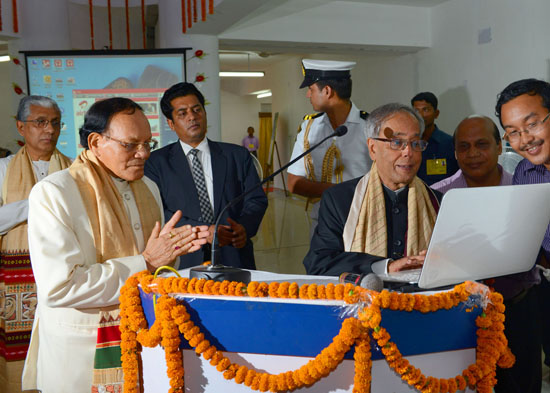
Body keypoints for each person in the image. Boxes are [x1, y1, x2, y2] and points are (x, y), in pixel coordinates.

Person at [21, 97, 209, 393]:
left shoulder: (148, 188)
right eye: (130, 145)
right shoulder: (54, 194)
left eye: (148, 143)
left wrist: (169, 254)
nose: (143, 153)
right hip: (82, 354)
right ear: (95, 142)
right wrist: (145, 262)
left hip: (142, 343)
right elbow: (60, 287)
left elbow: (156, 269)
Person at [303, 103, 442, 277]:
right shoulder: (340, 199)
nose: (408, 152)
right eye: (397, 142)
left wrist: (440, 261)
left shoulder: (437, 202)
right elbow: (319, 263)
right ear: (372, 148)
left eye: (415, 143)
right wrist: (384, 267)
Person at [145, 82, 268, 270]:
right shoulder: (156, 162)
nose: (192, 117)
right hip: (183, 258)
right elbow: (157, 211)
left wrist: (243, 228)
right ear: (171, 123)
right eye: (183, 113)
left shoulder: (237, 155)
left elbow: (256, 200)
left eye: (197, 110)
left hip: (234, 254)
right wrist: (203, 231)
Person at [0, 96, 72, 393]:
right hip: (17, 280)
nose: (49, 130)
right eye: (40, 122)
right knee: (20, 348)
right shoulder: (3, 169)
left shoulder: (74, 169)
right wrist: (37, 205)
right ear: (21, 127)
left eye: (55, 123)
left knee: (60, 346)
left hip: (63, 274)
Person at [494, 78, 550, 393]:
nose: (524, 139)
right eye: (512, 132)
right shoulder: (525, 173)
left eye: (531, 125)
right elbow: (526, 241)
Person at [287, 59, 372, 236]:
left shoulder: (371, 127)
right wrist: (341, 192)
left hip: (365, 220)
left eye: (310, 89)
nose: (307, 95)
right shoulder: (309, 127)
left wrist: (326, 189)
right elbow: (293, 183)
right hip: (323, 219)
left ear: (327, 91)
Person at [431, 115, 512, 193]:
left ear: (499, 147)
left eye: (481, 144)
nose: (472, 154)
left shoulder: (521, 187)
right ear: (455, 153)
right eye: (464, 146)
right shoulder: (435, 197)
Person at [411, 92, 459, 185]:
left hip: (441, 197)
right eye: (416, 111)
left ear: (436, 113)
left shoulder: (449, 143)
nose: (420, 115)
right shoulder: (407, 144)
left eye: (425, 110)